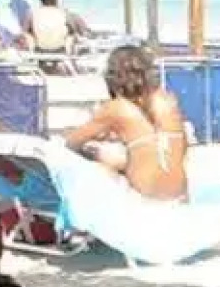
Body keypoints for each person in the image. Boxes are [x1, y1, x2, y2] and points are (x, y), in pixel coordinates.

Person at [63, 45, 189, 201]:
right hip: (181, 196)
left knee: (99, 165)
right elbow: (180, 149)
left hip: (148, 200)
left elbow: (71, 144)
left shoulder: (116, 108)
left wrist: (98, 154)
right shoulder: (167, 101)